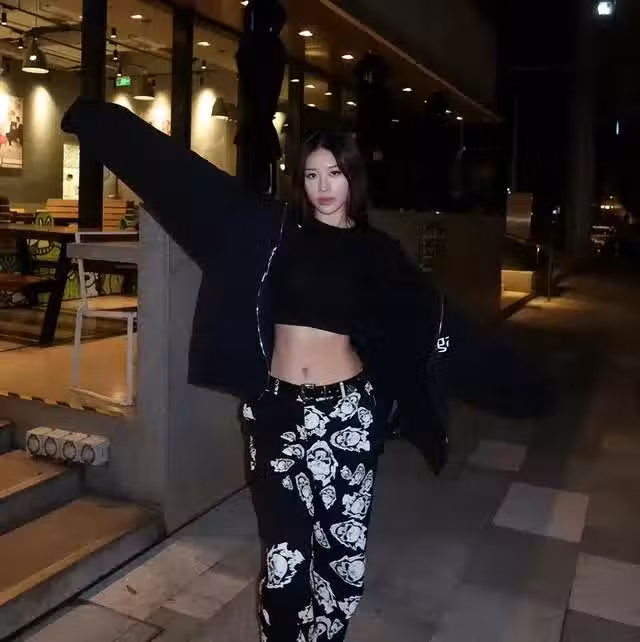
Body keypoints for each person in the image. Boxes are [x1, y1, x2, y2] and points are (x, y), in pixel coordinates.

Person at [61, 99, 553, 642]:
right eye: (312, 175)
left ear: (353, 178)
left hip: (346, 417)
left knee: (342, 564)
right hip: (277, 413)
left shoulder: (377, 252)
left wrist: (521, 386)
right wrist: (100, 124)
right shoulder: (273, 232)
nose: (323, 187)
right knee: (285, 562)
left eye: (334, 174)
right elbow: (185, 183)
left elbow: (437, 324)